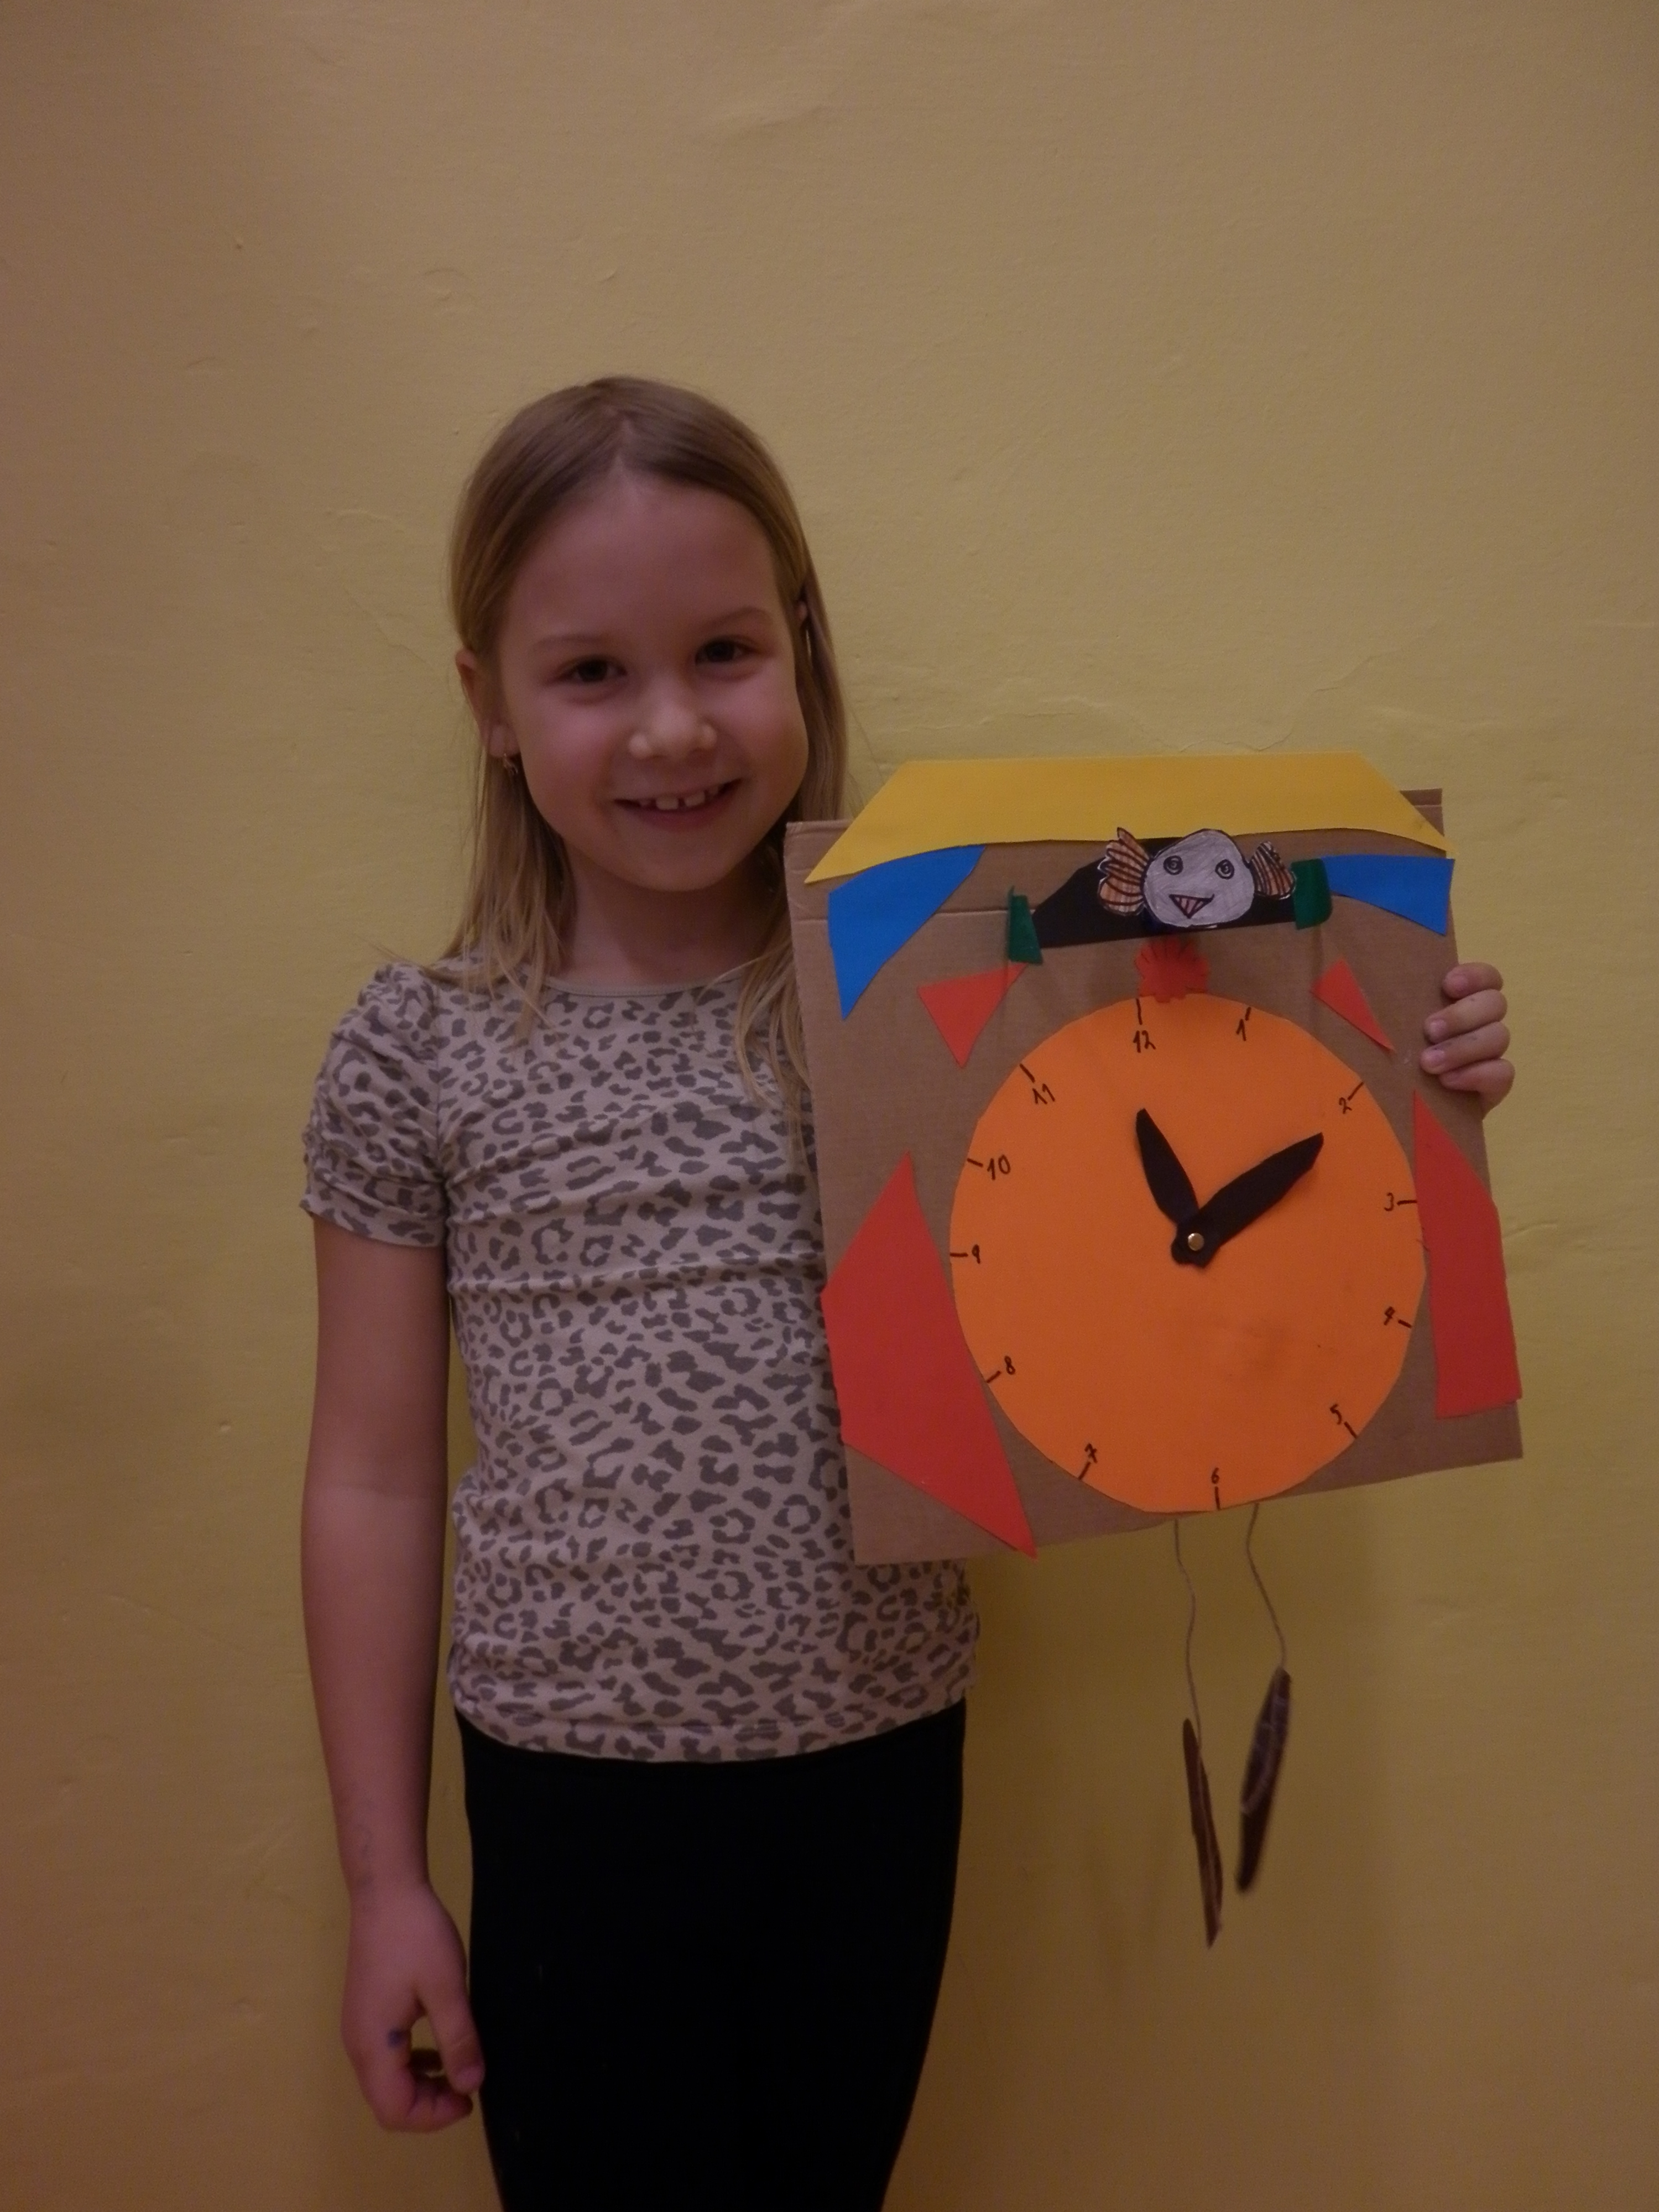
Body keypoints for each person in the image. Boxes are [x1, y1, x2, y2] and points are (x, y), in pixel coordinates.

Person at [299, 377, 1515, 2212]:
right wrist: (388, 1882)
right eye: (593, 674)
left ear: (801, 645)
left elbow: (1217, 1069)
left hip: (879, 1766)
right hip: (568, 1785)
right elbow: (373, 1478)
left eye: (723, 651)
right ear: (486, 701)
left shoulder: (925, 995)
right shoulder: (424, 1049)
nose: (674, 727)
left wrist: (1422, 1050)